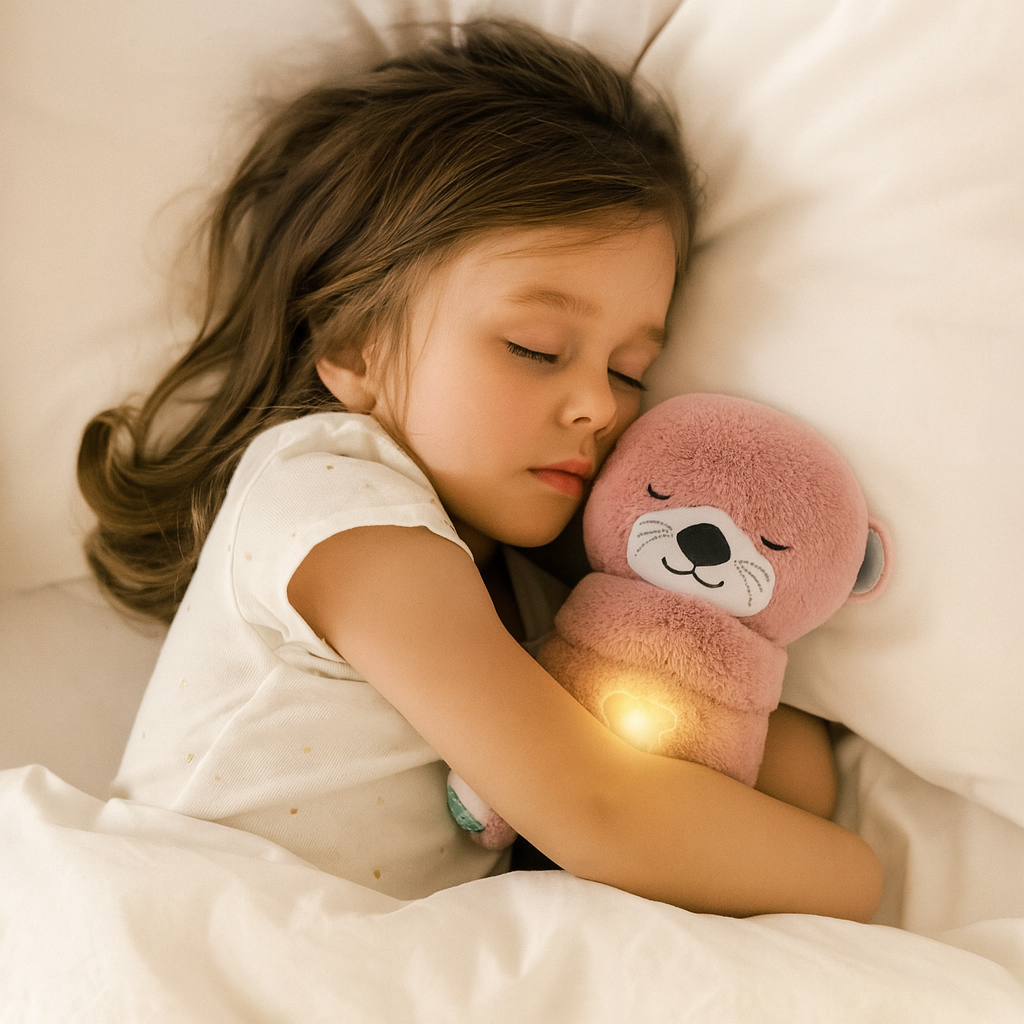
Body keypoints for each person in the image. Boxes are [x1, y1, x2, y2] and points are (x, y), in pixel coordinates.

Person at [78, 19, 882, 920]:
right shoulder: (332, 497)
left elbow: (776, 768)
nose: (600, 406)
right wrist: (859, 878)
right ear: (356, 343)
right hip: (202, 935)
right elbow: (598, 810)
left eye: (628, 371)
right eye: (536, 348)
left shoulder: (539, 603)